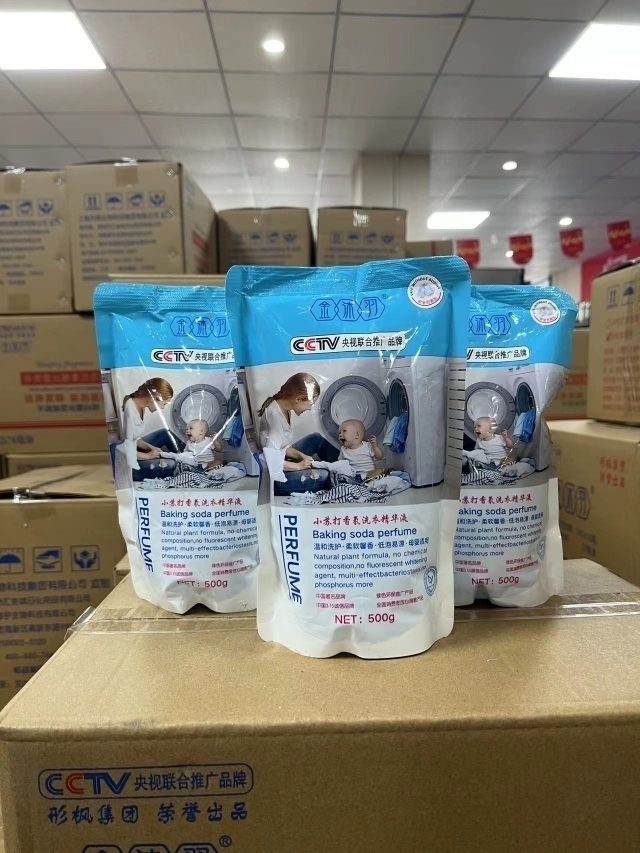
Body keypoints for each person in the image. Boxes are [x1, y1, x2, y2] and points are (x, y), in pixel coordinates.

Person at [258, 372, 339, 471]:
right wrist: (299, 466)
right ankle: (343, 471)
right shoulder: (275, 417)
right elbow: (271, 460)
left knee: (316, 438)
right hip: (277, 470)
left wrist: (301, 456)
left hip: (282, 457)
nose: (310, 408)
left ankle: (345, 465)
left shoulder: (285, 408)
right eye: (310, 404)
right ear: (298, 399)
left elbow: (282, 447)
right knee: (322, 475)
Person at [120, 378, 175, 470]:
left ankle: (187, 458)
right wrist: (148, 456)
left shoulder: (139, 405)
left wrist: (152, 448)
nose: (163, 407)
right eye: (164, 404)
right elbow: (125, 450)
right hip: (129, 463)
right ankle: (185, 462)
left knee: (165, 433)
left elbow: (135, 439)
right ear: (154, 398)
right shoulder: (130, 411)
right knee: (170, 464)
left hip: (134, 449)